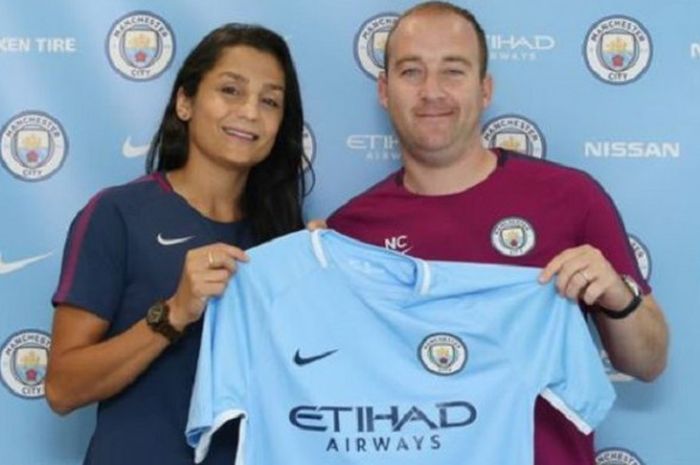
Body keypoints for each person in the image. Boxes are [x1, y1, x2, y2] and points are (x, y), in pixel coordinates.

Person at [327, 2, 669, 464]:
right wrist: (312, 264)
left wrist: (617, 296)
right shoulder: (349, 231)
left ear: (485, 89)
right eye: (411, 72)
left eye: (454, 71)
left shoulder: (571, 197)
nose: (432, 92)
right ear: (385, 91)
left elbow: (648, 363)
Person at [45, 23, 310, 465]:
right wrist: (174, 313)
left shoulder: (285, 236)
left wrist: (322, 277)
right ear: (185, 102)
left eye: (269, 101)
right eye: (230, 90)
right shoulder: (117, 214)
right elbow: (62, 388)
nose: (249, 112)